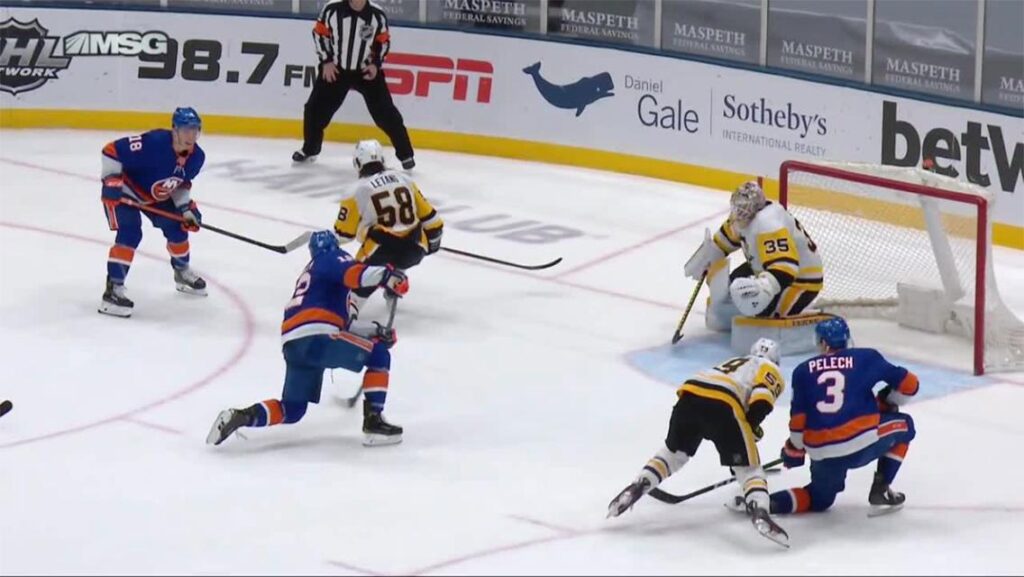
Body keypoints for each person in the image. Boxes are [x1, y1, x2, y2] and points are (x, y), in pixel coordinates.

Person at [206, 230, 410, 447]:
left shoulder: (314, 278)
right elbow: (355, 275)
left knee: (292, 409)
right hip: (318, 337)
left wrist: (375, 331)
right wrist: (386, 276)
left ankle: (242, 416)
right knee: (379, 356)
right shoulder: (330, 258)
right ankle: (374, 423)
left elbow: (345, 324)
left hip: (294, 344)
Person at [607, 338, 789, 546]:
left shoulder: (734, 361)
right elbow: (762, 401)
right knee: (749, 469)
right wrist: (750, 427)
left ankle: (640, 484)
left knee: (673, 453)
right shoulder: (769, 368)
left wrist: (745, 431)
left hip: (689, 397)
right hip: (724, 406)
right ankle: (760, 511)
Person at [768, 316, 917, 515]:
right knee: (906, 425)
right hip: (861, 443)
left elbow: (798, 424)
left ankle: (764, 502)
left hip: (823, 452)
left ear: (822, 342)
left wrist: (794, 450)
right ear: (846, 339)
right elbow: (911, 386)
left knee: (819, 499)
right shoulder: (866, 358)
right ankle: (881, 489)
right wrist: (889, 401)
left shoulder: (802, 371)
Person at [99, 107, 206, 318]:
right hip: (125, 192)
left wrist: (185, 209)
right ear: (174, 130)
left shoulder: (197, 157)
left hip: (155, 197)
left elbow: (180, 184)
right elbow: (111, 150)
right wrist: (111, 179)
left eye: (195, 130)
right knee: (130, 234)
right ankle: (113, 291)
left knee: (177, 227)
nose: (191, 135)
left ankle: (182, 271)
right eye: (186, 130)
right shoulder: (154, 143)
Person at [684, 181, 823, 331]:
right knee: (728, 296)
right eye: (737, 208)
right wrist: (708, 256)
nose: (739, 214)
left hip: (801, 281)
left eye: (744, 209)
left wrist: (764, 288)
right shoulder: (743, 217)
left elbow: (786, 268)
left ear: (756, 208)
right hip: (765, 267)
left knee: (762, 319)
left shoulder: (768, 224)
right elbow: (725, 241)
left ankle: (803, 310)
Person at [292, 0, 415, 170]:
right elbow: (320, 34)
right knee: (314, 110)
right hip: (336, 69)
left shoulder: (377, 15)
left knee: (386, 114)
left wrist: (375, 65)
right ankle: (310, 149)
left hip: (366, 71)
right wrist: (326, 61)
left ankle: (406, 155)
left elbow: (383, 42)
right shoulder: (332, 9)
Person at [334, 139, 443, 322]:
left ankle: (348, 316)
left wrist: (326, 240)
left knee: (357, 281)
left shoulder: (356, 191)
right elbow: (434, 221)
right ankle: (396, 279)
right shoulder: (405, 179)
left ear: (358, 163)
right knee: (405, 239)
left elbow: (344, 235)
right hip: (416, 248)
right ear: (382, 160)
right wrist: (431, 244)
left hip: (379, 252)